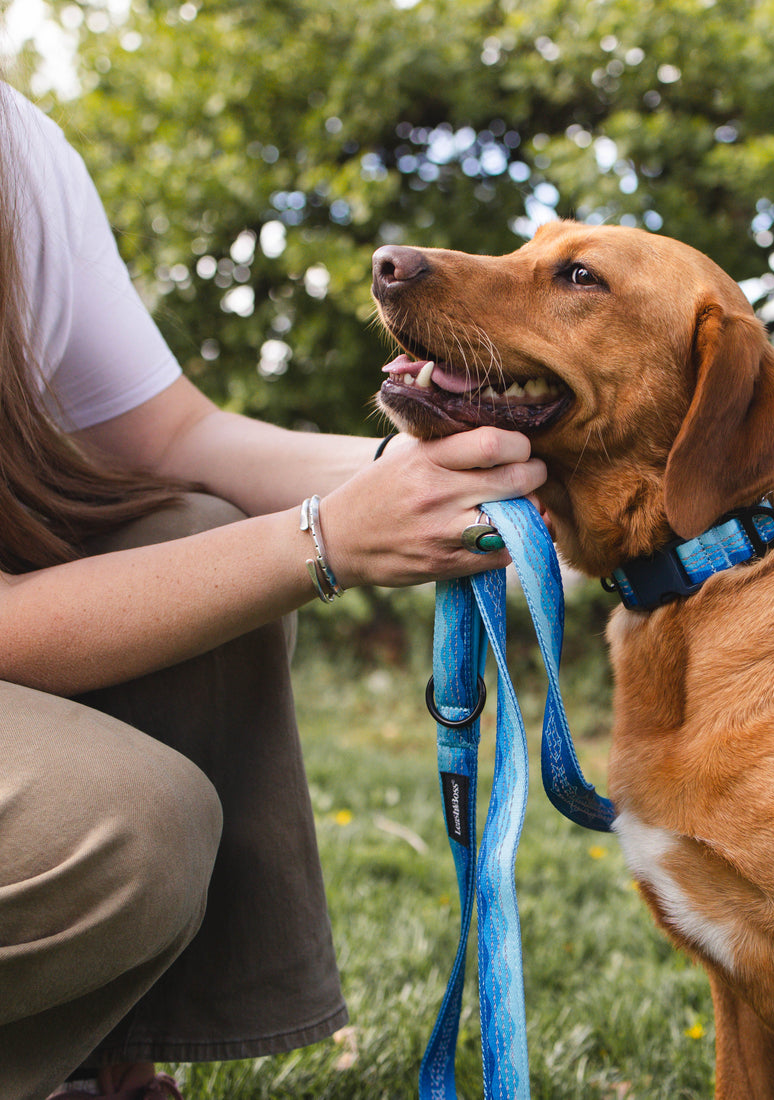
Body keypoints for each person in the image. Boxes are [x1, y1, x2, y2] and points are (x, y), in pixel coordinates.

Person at [0, 81, 546, 1100]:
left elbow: (178, 436)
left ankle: (97, 1069)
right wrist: (325, 540)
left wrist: (443, 478)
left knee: (191, 528)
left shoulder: (16, 145)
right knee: (130, 827)